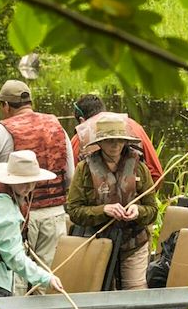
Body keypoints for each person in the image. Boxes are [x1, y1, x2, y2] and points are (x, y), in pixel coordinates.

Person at [0, 80, 74, 280]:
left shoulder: (2, 130)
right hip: (55, 215)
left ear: (6, 106)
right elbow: (70, 175)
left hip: (16, 215)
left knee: (16, 280)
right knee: (46, 281)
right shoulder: (55, 124)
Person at [66, 114, 158, 290]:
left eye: (119, 140)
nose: (115, 145)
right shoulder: (84, 169)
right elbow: (74, 211)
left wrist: (138, 211)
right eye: (109, 141)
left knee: (135, 292)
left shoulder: (139, 166)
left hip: (134, 242)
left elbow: (152, 210)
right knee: (99, 291)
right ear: (99, 143)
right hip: (97, 242)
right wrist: (103, 210)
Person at [0, 150, 63, 297]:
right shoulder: (0, 203)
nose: (28, 187)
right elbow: (13, 256)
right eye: (22, 182)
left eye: (31, 182)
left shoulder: (9, 191)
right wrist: (46, 278)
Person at [71, 94, 163, 184]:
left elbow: (72, 181)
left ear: (82, 121)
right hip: (136, 196)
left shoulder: (78, 137)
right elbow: (157, 175)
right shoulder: (133, 126)